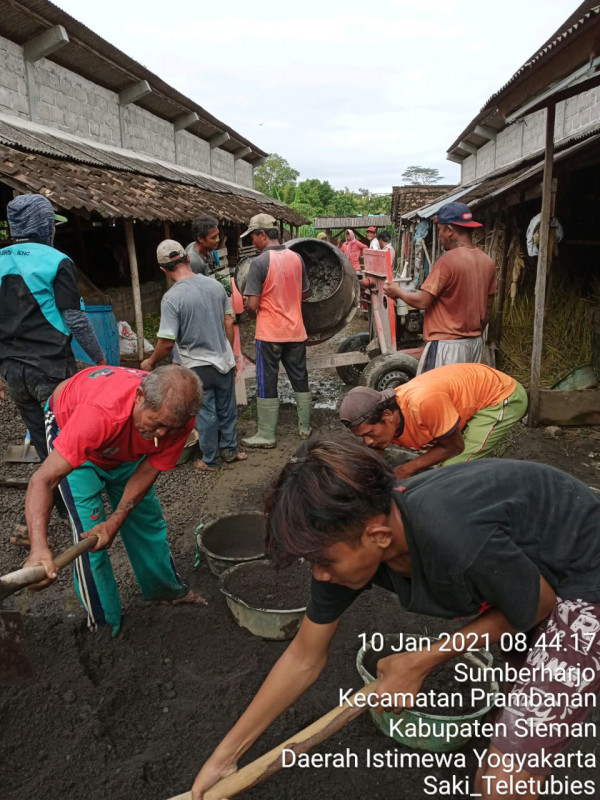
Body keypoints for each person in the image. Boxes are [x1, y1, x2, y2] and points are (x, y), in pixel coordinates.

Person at [191, 437, 600, 800]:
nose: (319, 575)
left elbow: (540, 608)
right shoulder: (347, 537)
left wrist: (420, 661)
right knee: (527, 682)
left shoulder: (452, 535)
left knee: (502, 782)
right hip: (526, 569)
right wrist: (224, 758)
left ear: (378, 538)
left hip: (585, 575)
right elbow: (303, 656)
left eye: (324, 561)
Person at [23, 364, 204, 634]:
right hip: (74, 439)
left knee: (147, 519)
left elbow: (149, 467)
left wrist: (117, 519)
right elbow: (43, 480)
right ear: (140, 397)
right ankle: (105, 625)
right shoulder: (99, 414)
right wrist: (39, 548)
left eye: (171, 429)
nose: (163, 436)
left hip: (123, 447)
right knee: (88, 537)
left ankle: (165, 590)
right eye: (158, 425)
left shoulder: (179, 415)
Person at [0, 194, 106, 529]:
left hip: (12, 371)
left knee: (42, 437)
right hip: (51, 370)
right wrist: (101, 359)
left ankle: (59, 507)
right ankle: (79, 511)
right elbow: (74, 319)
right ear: (45, 224)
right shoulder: (56, 260)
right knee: (68, 436)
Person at [141, 240, 246, 471]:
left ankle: (210, 460)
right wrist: (226, 350)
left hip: (197, 366)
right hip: (224, 361)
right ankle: (230, 450)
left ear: (164, 270)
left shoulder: (171, 298)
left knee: (206, 412)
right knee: (227, 407)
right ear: (187, 259)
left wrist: (151, 361)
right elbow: (229, 320)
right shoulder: (215, 286)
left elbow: (167, 343)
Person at [338, 363, 527, 477]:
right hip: (465, 396)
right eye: (363, 437)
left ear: (387, 415)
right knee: (441, 460)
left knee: (454, 468)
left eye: (370, 433)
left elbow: (455, 447)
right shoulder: (384, 419)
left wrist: (406, 469)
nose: (368, 441)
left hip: (500, 396)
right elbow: (375, 450)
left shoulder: (422, 404)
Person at [383, 202, 496, 374]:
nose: (440, 235)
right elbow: (488, 306)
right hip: (474, 344)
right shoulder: (487, 261)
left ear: (450, 230)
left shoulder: (448, 261)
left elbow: (423, 301)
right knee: (463, 397)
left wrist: (398, 292)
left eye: (440, 230)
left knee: (436, 397)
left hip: (447, 347)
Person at [241, 213, 311, 448]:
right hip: (295, 330)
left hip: (270, 333)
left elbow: (252, 304)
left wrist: (251, 311)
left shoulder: (259, 263)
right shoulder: (297, 258)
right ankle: (304, 427)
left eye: (253, 237)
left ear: (262, 235)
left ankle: (267, 434)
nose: (252, 242)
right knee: (300, 376)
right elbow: (305, 294)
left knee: (267, 381)